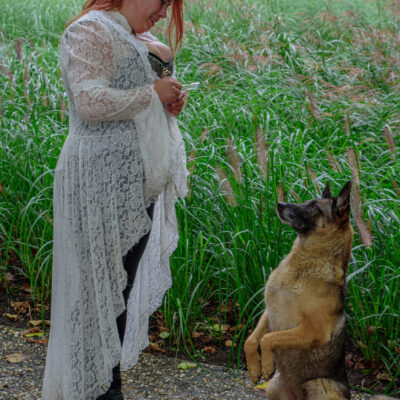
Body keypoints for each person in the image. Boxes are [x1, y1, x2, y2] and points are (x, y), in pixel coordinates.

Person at [41, 0, 188, 398]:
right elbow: (88, 101)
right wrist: (151, 93)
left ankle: (105, 386)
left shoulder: (138, 36)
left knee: (117, 291)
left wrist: (168, 102)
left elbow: (139, 102)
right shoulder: (90, 30)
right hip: (97, 182)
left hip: (137, 188)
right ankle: (97, 390)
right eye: (162, 2)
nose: (164, 13)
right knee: (94, 294)